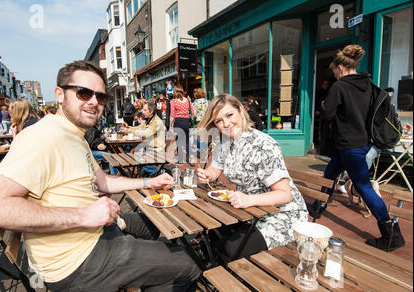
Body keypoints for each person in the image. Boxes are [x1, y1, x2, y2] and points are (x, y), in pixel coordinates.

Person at [0, 60, 201, 292]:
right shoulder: (43, 136)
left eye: (100, 97)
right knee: (187, 265)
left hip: (98, 232)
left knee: (159, 219)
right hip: (77, 260)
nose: (94, 102)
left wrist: (147, 183)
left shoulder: (74, 135)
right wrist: (84, 215)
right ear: (59, 94)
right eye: (83, 93)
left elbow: (102, 182)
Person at [314, 44, 405, 252]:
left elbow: (327, 114)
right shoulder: (368, 84)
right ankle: (319, 206)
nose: (334, 74)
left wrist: (324, 104)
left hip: (349, 146)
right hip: (362, 142)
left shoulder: (340, 86)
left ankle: (390, 234)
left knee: (363, 186)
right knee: (330, 174)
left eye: (334, 70)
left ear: (341, 67)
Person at [196, 94, 308, 258]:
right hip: (250, 211)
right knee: (213, 232)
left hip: (282, 215)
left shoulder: (263, 144)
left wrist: (249, 200)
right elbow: (214, 171)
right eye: (219, 121)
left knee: (233, 247)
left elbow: (285, 195)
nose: (226, 124)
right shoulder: (227, 143)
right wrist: (207, 175)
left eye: (229, 115)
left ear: (241, 111)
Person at [119, 98, 165, 176]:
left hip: (156, 150)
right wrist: (128, 128)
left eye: (145, 110)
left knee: (138, 158)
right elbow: (139, 128)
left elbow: (145, 134)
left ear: (151, 111)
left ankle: (156, 174)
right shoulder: (149, 120)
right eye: (143, 109)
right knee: (130, 154)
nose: (142, 111)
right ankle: (141, 176)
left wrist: (129, 131)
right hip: (148, 149)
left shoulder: (157, 122)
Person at [170, 85, 194, 163]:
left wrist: (170, 125)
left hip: (178, 122)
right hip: (186, 121)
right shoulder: (187, 100)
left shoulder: (173, 102)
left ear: (175, 92)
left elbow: (172, 115)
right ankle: (191, 157)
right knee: (187, 141)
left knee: (179, 141)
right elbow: (192, 113)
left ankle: (180, 160)